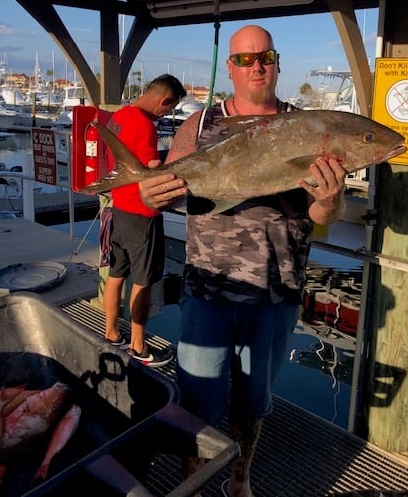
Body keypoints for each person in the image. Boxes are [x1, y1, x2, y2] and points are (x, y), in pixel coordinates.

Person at [138, 25, 346, 495]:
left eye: (266, 56)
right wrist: (152, 195)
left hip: (277, 289)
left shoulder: (308, 128)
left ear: (277, 61)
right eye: (246, 59)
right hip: (208, 287)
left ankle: (240, 477)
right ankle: (193, 477)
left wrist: (332, 201)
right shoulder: (199, 126)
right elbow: (171, 196)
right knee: (197, 397)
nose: (258, 66)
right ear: (230, 67)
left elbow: (321, 214)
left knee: (254, 401)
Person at [103, 73, 186, 367]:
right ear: (165, 100)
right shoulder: (145, 125)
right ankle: (138, 347)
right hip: (143, 214)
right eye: (171, 108)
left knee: (116, 275)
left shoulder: (122, 116)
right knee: (143, 282)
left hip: (119, 210)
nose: (168, 113)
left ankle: (111, 333)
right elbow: (152, 169)